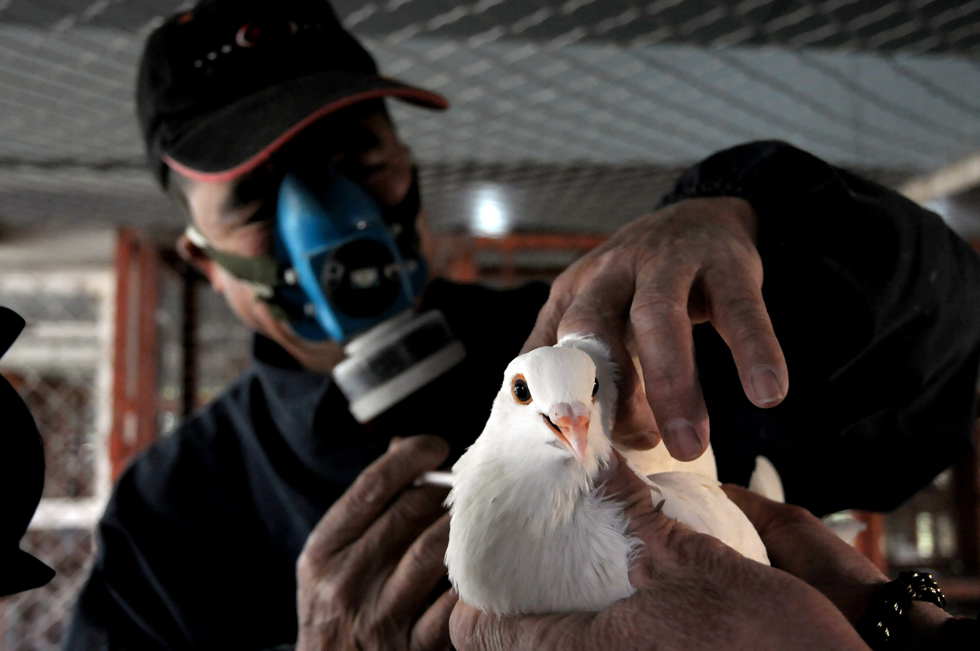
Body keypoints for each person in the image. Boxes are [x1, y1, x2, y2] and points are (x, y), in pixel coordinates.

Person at [65, 0, 980, 648]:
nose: (334, 216)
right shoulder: (173, 516)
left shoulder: (606, 348)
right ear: (198, 256)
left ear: (408, 162)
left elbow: (928, 392)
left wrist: (755, 212)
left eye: (357, 156)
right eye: (263, 196)